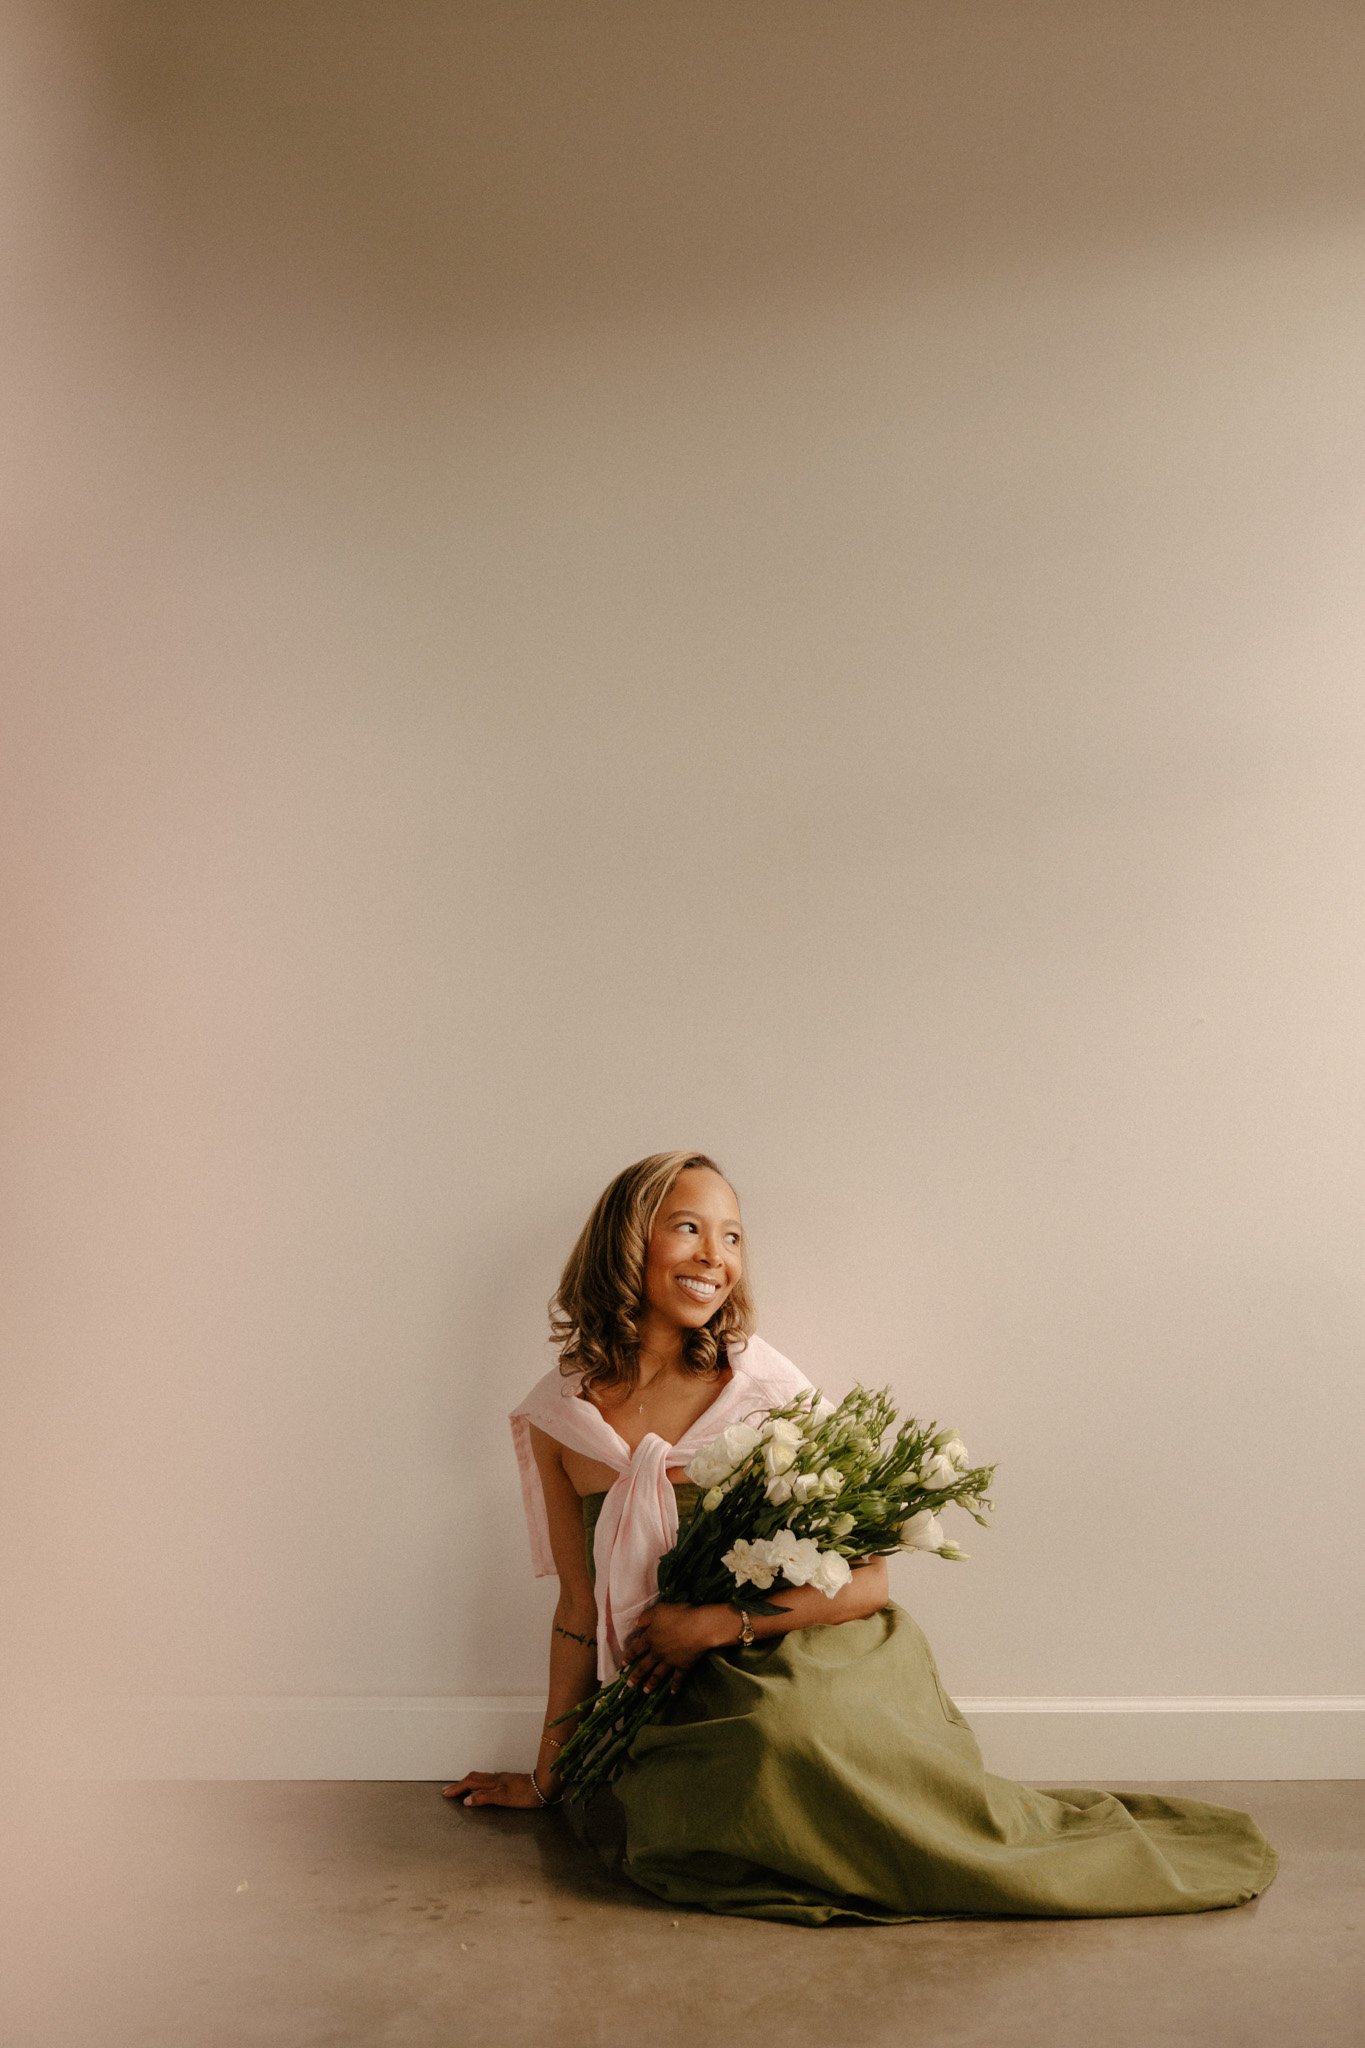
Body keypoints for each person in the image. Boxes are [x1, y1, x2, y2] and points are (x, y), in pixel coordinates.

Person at [442, 1150, 1279, 1924]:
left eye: (731, 1235)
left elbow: (868, 1583)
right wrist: (551, 1777)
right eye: (688, 1227)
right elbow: (579, 1608)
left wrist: (716, 1625)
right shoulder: (561, 1417)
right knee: (699, 1795)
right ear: (629, 1242)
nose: (713, 1255)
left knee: (791, 1737)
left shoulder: (762, 1390)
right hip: (669, 1674)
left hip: (803, 1637)